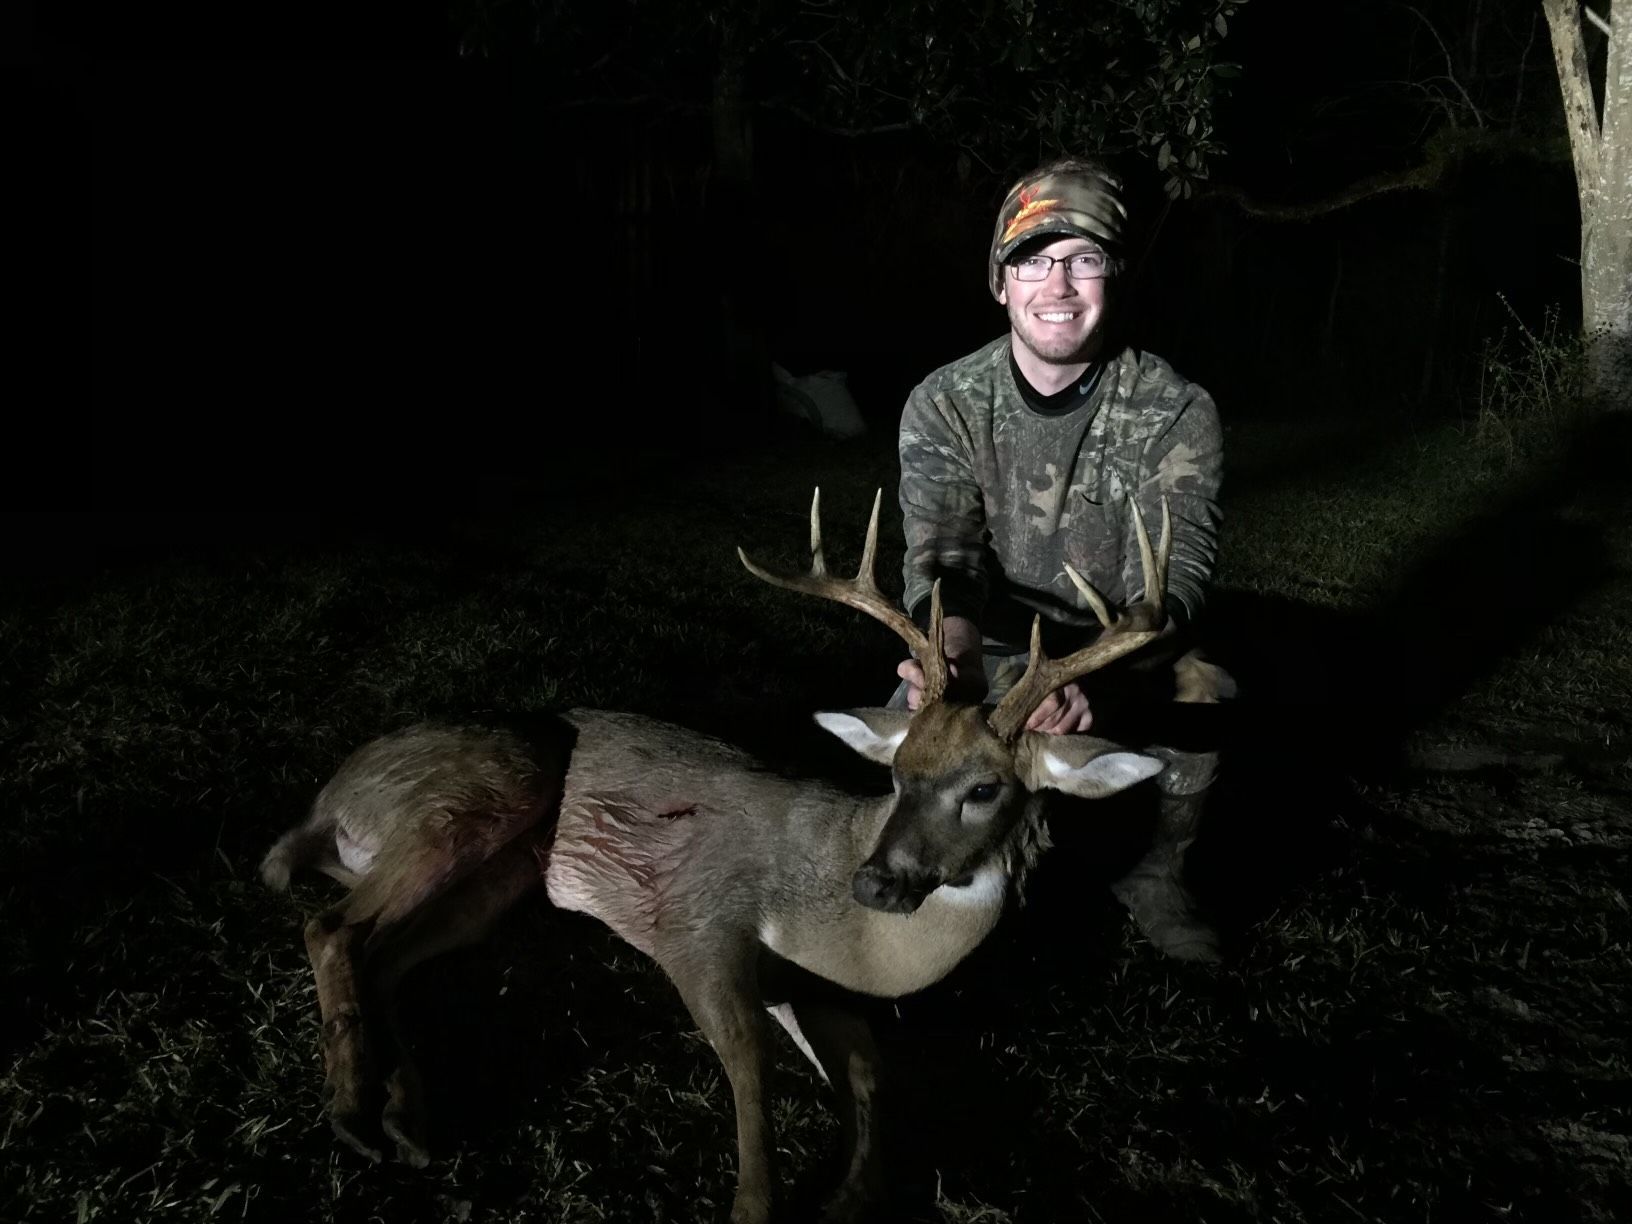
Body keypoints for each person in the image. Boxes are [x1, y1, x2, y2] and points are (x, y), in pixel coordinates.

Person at [890, 155, 1230, 963]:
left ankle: (1155, 869)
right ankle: (945, 880)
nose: (1059, 285)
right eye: (1034, 260)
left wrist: (1097, 676)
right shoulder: (945, 402)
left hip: (1119, 656)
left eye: (1084, 260)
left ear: (1115, 277)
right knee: (918, 732)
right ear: (1000, 281)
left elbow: (1177, 585)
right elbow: (941, 551)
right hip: (993, 650)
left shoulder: (1176, 409)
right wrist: (952, 655)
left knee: (1206, 691)